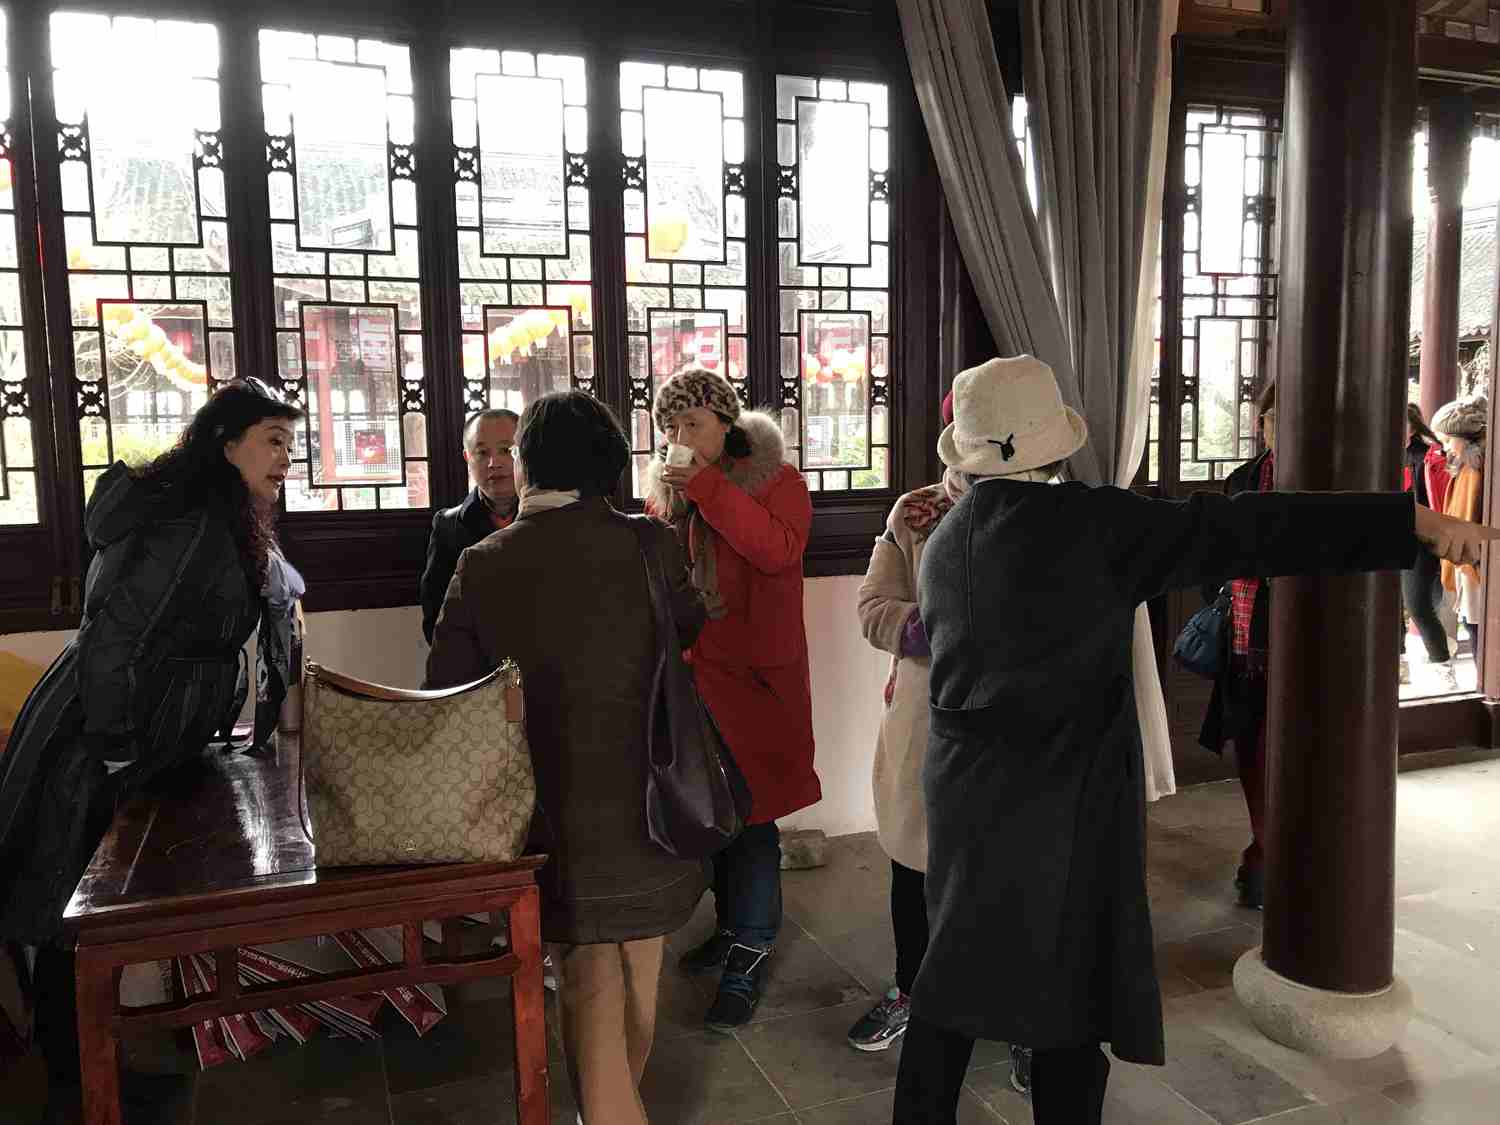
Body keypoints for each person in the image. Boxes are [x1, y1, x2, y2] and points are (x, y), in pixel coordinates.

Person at [893, 355, 1496, 1125]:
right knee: (1068, 1009)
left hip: (966, 803)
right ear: (1050, 441)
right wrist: (1407, 520)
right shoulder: (1087, 527)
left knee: (951, 985)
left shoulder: (950, 539)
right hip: (1063, 810)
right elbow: (1247, 527)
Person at [0, 378, 302, 1123]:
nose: (285, 459)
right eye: (273, 441)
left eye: (290, 445)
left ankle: (92, 1080)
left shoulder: (218, 515)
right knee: (71, 918)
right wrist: (114, 751)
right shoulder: (190, 522)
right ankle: (79, 1094)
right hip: (94, 737)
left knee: (88, 920)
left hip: (123, 734)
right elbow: (117, 642)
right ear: (225, 444)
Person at [425, 391, 708, 1125]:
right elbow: (689, 624)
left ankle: (606, 1113)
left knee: (587, 982)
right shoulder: (650, 543)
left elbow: (446, 689)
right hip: (654, 804)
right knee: (640, 978)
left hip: (550, 816)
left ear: (528, 464)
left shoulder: (483, 562)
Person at [848, 388, 1034, 1088]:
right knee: (914, 861)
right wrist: (938, 631)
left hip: (1019, 726)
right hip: (925, 719)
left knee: (1015, 875)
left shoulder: (1050, 513)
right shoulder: (916, 511)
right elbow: (873, 606)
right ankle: (912, 989)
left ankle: (1024, 1017)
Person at [645, 367, 820, 1032]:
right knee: (713, 812)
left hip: (756, 680)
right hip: (695, 676)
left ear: (726, 422)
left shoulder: (780, 481)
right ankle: (728, 930)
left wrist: (707, 488)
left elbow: (777, 549)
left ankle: (751, 949)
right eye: (670, 425)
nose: (680, 435)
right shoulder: (676, 493)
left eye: (692, 422)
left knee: (752, 819)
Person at [1197, 380, 1277, 910]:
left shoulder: (1328, 484)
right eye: (1274, 417)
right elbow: (1214, 558)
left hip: (1303, 642)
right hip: (1247, 640)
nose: (1281, 429)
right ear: (1260, 423)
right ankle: (1264, 847)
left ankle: (1273, 856)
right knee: (1251, 747)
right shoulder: (1242, 480)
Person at [419, 408, 520, 643]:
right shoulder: (448, 526)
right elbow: (435, 615)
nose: (494, 463)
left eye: (506, 450)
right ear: (467, 458)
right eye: (482, 453)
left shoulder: (547, 516)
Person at [1432, 394, 1488, 657]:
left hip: (1474, 564)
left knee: (1477, 630)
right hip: (1468, 563)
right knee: (1473, 627)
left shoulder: (1475, 470)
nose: (1444, 448)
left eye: (1446, 441)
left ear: (1463, 437)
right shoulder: (1466, 467)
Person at [1402, 403, 1453, 678]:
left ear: (1412, 427)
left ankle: (1442, 666)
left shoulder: (1428, 457)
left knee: (1417, 606)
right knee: (1389, 604)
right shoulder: (1384, 454)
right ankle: (1398, 664)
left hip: (1421, 540)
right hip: (1391, 537)